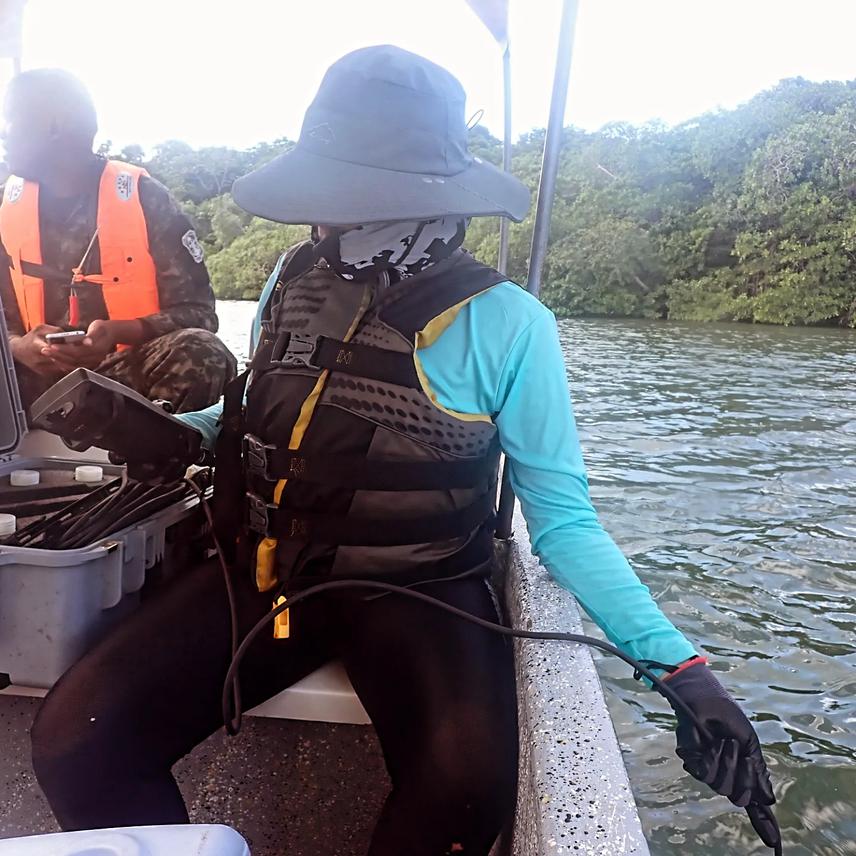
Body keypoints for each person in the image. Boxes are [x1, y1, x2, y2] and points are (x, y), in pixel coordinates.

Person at [28, 47, 775, 855]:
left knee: (466, 788)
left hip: (417, 591)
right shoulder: (293, 275)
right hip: (270, 571)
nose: (325, 222)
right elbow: (256, 416)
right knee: (77, 737)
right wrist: (171, 429)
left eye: (347, 198)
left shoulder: (510, 323)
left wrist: (681, 670)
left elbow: (563, 522)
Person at [0, 69, 236, 413]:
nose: (4, 135)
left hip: (118, 381)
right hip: (29, 382)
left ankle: (147, 459)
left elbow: (201, 315)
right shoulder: (6, 210)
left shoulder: (146, 200)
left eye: (11, 121)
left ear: (53, 127)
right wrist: (18, 347)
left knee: (204, 353)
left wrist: (119, 332)